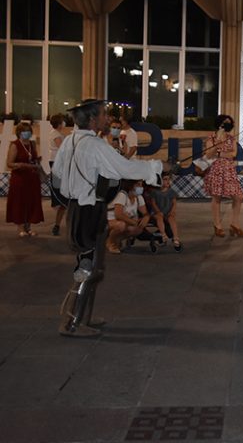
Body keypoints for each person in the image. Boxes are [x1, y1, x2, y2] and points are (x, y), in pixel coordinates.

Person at [53, 99, 161, 337]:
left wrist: (80, 190)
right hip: (89, 209)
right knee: (87, 268)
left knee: (92, 266)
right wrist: (155, 168)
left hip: (79, 208)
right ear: (92, 119)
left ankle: (84, 319)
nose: (107, 119)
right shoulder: (93, 144)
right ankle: (71, 324)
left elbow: (58, 175)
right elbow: (124, 168)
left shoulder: (70, 140)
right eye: (103, 114)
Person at [204, 114, 243, 237]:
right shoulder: (211, 138)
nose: (227, 124)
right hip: (216, 169)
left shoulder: (231, 139)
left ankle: (235, 224)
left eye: (229, 122)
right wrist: (218, 143)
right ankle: (217, 225)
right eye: (225, 122)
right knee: (216, 197)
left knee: (238, 196)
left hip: (229, 169)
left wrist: (220, 153)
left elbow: (233, 153)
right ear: (219, 124)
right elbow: (208, 154)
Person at [6, 122, 44, 237]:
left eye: (28, 131)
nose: (26, 133)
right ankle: (20, 227)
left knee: (31, 201)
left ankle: (28, 227)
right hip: (20, 179)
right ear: (19, 133)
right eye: (24, 131)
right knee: (20, 202)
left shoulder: (32, 144)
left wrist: (37, 163)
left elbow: (34, 159)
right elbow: (9, 163)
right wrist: (23, 165)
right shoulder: (15, 145)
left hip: (32, 178)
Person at [106, 179, 152, 254]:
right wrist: (133, 222)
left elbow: (145, 213)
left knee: (138, 229)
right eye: (138, 184)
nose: (141, 187)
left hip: (125, 221)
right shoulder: (122, 195)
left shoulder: (138, 197)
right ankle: (110, 243)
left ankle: (116, 240)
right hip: (109, 220)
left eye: (141, 184)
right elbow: (118, 214)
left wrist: (146, 218)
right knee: (121, 225)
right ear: (131, 185)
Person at [148, 171, 182, 251]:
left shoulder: (171, 192)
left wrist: (172, 211)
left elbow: (174, 203)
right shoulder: (155, 192)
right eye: (165, 179)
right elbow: (153, 203)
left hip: (167, 211)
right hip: (157, 212)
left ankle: (176, 237)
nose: (167, 181)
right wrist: (158, 211)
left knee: (172, 218)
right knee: (159, 216)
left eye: (168, 179)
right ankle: (163, 235)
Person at [49, 114, 69, 235]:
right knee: (63, 200)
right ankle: (57, 225)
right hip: (58, 165)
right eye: (63, 121)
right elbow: (62, 149)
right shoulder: (56, 134)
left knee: (65, 202)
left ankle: (58, 225)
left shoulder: (58, 133)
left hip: (60, 165)